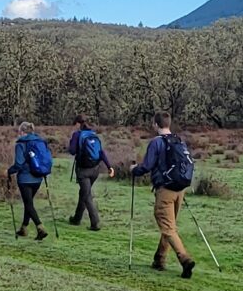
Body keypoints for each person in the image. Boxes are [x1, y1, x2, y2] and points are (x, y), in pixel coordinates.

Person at [126, 113, 197, 278]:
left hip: (165, 189)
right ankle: (159, 259)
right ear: (169, 124)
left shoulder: (156, 142)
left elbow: (147, 166)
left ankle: (185, 259)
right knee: (169, 226)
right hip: (180, 189)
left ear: (155, 124)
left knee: (168, 227)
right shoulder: (179, 140)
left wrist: (134, 170)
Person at [7, 122, 52, 240]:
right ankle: (24, 228)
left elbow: (19, 164)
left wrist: (9, 171)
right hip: (38, 177)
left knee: (28, 204)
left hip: (25, 179)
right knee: (29, 203)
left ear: (22, 132)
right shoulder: (40, 141)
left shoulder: (21, 144)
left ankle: (40, 227)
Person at [65, 116, 110, 230]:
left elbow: (72, 151)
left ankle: (95, 223)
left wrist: (71, 143)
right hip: (95, 169)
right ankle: (77, 218)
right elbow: (101, 152)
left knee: (87, 195)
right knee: (84, 193)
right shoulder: (94, 135)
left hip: (83, 170)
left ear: (77, 124)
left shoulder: (77, 135)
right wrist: (109, 166)